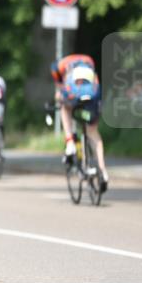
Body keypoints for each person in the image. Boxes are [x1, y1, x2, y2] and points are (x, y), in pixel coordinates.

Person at [51, 53, 108, 192]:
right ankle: (103, 171)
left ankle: (70, 141)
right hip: (92, 97)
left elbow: (60, 90)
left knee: (64, 108)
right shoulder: (89, 61)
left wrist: (57, 99)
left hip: (74, 97)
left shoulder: (58, 67)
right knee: (93, 133)